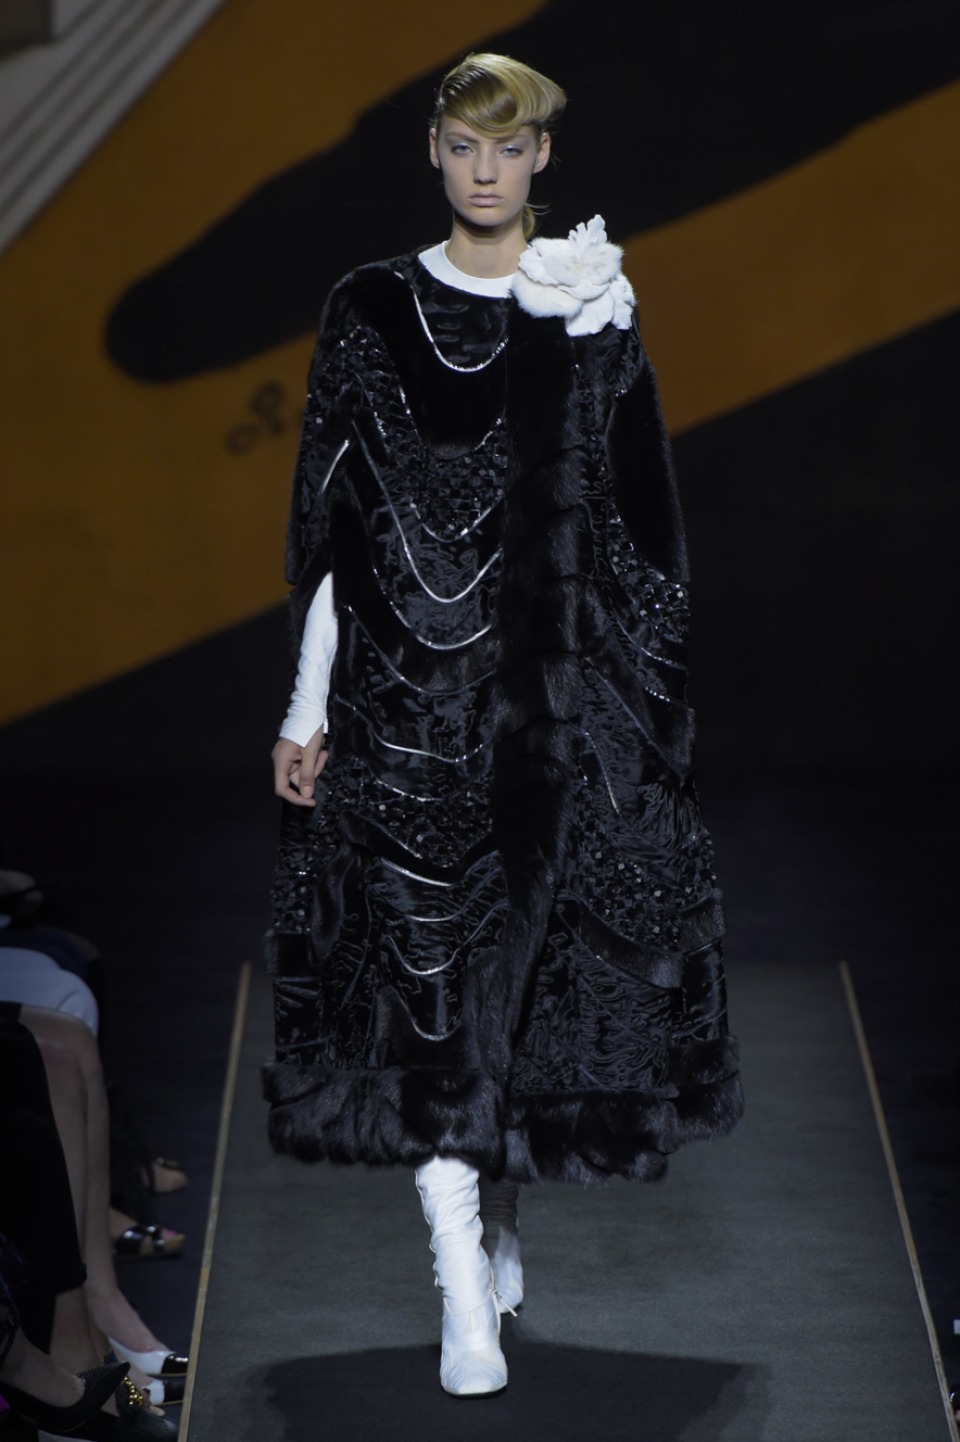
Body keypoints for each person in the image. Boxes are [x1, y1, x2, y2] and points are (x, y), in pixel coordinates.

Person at [264, 52, 743, 1397]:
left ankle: (499, 1210)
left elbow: (641, 526)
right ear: (433, 150)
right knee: (429, 985)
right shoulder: (370, 310)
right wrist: (307, 704)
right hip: (402, 711)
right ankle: (460, 1285)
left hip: (553, 713)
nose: (486, 169)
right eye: (465, 145)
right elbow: (337, 527)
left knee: (525, 983)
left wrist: (643, 716)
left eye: (510, 145)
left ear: (542, 158)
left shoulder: (588, 304)